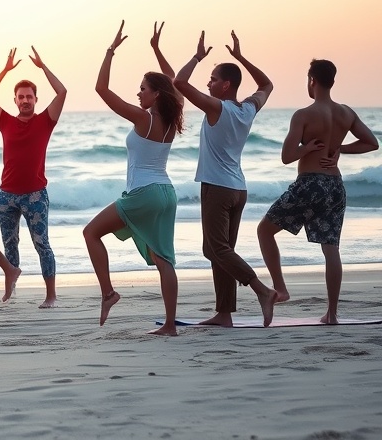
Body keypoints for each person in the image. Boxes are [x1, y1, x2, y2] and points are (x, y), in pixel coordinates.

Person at [257, 59, 378, 325]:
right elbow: (371, 143)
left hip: (309, 184)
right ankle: (332, 313)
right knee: (331, 248)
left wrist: (307, 148)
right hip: (335, 186)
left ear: (312, 80)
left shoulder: (303, 115)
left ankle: (281, 288)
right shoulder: (346, 113)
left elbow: (287, 156)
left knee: (264, 230)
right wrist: (339, 149)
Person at [84, 21, 184, 336]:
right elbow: (173, 81)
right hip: (167, 193)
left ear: (156, 94)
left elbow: (101, 89)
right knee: (164, 259)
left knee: (90, 233)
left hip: (143, 194)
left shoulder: (143, 118)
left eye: (143, 88)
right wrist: (156, 49)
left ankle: (108, 293)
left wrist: (110, 51)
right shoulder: (173, 116)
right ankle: (170, 325)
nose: (139, 93)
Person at [173, 30, 278, 327]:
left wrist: (197, 57)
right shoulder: (248, 108)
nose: (208, 83)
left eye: (213, 79)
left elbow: (179, 83)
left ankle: (262, 290)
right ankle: (224, 314)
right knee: (222, 251)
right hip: (238, 189)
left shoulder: (216, 107)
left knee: (214, 249)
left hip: (217, 189)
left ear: (226, 85)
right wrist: (240, 58)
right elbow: (267, 85)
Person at [0, 46, 67, 308]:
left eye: (29, 97)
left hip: (35, 195)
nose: (25, 100)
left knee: (41, 244)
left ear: (36, 100)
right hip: (7, 194)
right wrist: (5, 70)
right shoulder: (5, 121)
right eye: (21, 97)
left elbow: (62, 92)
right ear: (15, 100)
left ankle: (51, 296)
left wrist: (43, 67)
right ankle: (10, 279)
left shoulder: (45, 121)